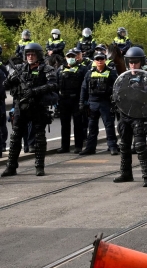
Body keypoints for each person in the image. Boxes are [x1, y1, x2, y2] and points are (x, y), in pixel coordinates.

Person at [2, 43, 55, 176]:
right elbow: (5, 84)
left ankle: (39, 166)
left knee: (39, 138)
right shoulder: (19, 68)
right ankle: (11, 167)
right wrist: (11, 78)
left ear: (39, 55)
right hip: (21, 107)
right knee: (15, 138)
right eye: (28, 54)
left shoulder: (46, 69)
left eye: (32, 54)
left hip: (38, 107)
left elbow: (53, 84)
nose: (30, 56)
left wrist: (35, 91)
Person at [113, 47, 147, 186]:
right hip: (125, 115)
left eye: (136, 62)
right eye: (130, 62)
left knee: (140, 146)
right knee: (124, 146)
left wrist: (139, 93)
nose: (133, 64)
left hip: (140, 114)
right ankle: (126, 173)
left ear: (141, 62)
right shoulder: (123, 77)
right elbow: (116, 93)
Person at [79, 50, 119, 156]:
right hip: (92, 103)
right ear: (94, 61)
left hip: (105, 103)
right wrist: (81, 103)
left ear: (105, 60)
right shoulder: (90, 73)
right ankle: (90, 148)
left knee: (109, 126)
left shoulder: (111, 72)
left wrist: (115, 102)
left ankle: (113, 147)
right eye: (97, 59)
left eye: (101, 59)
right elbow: (84, 88)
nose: (99, 61)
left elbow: (117, 87)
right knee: (92, 127)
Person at [56, 48, 87, 154]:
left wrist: (84, 101)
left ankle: (78, 146)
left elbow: (85, 85)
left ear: (76, 58)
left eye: (72, 57)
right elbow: (55, 84)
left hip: (76, 100)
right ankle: (65, 146)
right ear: (66, 58)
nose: (70, 58)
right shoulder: (60, 69)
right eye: (68, 57)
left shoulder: (82, 69)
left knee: (78, 124)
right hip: (63, 100)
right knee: (64, 125)